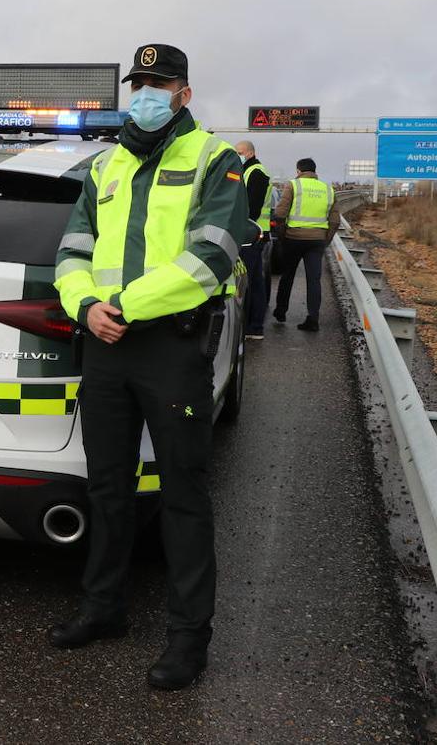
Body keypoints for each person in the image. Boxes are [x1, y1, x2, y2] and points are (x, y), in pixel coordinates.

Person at [52, 43, 256, 690]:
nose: (146, 91)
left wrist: (123, 304)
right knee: (108, 488)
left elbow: (214, 255)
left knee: (182, 496)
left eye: (159, 82)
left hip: (170, 346)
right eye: (138, 81)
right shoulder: (104, 167)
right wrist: (84, 306)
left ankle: (188, 638)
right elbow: (70, 250)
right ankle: (103, 608)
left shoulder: (213, 159)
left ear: (184, 93)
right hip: (104, 345)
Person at [271, 158, 340, 332]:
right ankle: (313, 319)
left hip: (293, 238)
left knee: (287, 276)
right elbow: (335, 221)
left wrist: (282, 235)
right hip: (316, 241)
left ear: (298, 171)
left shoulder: (293, 185)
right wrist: (325, 241)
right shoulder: (328, 189)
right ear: (315, 172)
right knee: (314, 280)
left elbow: (279, 213)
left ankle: (281, 311)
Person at [234, 141, 271, 339]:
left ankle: (254, 326)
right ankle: (253, 326)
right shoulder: (246, 171)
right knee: (254, 280)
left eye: (240, 152)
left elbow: (252, 209)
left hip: (252, 235)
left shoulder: (255, 172)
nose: (237, 155)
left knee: (250, 282)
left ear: (250, 153)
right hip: (252, 234)